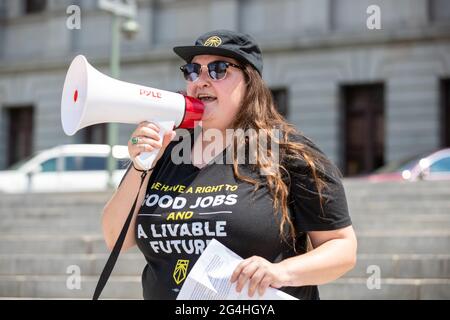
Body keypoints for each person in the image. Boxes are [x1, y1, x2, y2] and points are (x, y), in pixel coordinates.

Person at [101, 30, 357, 300]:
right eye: (192, 71)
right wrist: (142, 165)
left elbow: (342, 248)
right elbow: (115, 237)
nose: (201, 81)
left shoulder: (288, 153)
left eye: (218, 69)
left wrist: (281, 272)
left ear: (250, 82)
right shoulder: (167, 148)